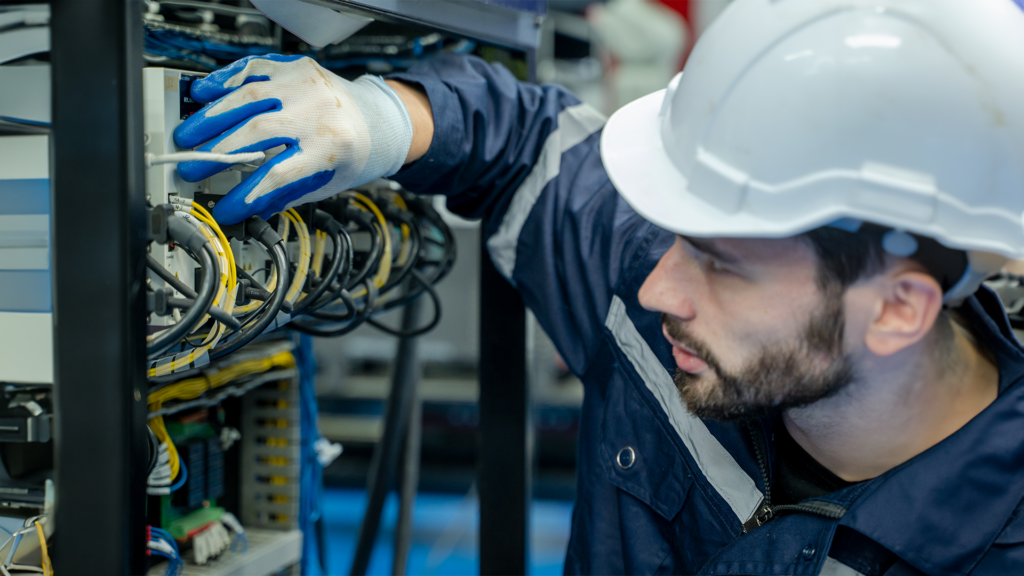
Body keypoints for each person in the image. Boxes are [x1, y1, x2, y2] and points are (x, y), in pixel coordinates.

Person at [172, 0, 1024, 573]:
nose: (657, 289)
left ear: (900, 308)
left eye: (723, 262)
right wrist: (381, 121)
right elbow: (525, 140)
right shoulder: (669, 319)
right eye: (680, 235)